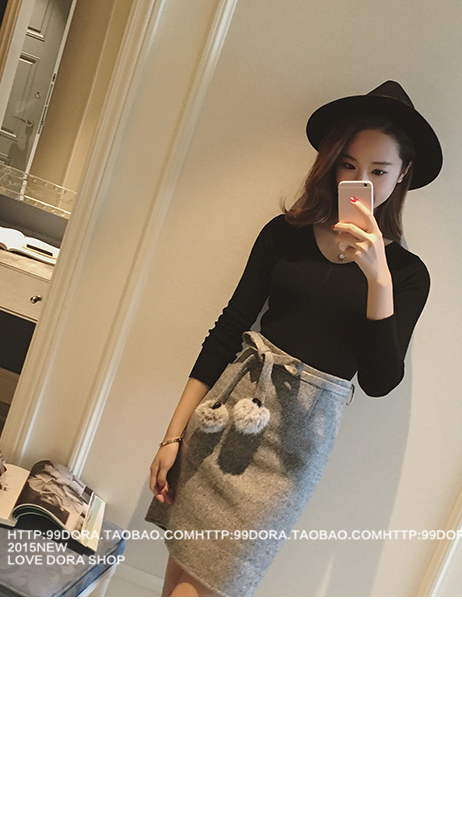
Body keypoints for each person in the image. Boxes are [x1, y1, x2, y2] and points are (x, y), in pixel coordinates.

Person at [145, 81, 443, 597]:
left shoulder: (407, 275)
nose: (361, 181)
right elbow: (227, 330)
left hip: (290, 454)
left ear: (403, 174)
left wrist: (378, 278)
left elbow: (379, 380)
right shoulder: (284, 234)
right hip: (225, 416)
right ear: (332, 164)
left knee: (207, 588)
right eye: (349, 165)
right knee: (178, 580)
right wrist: (172, 437)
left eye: (378, 171)